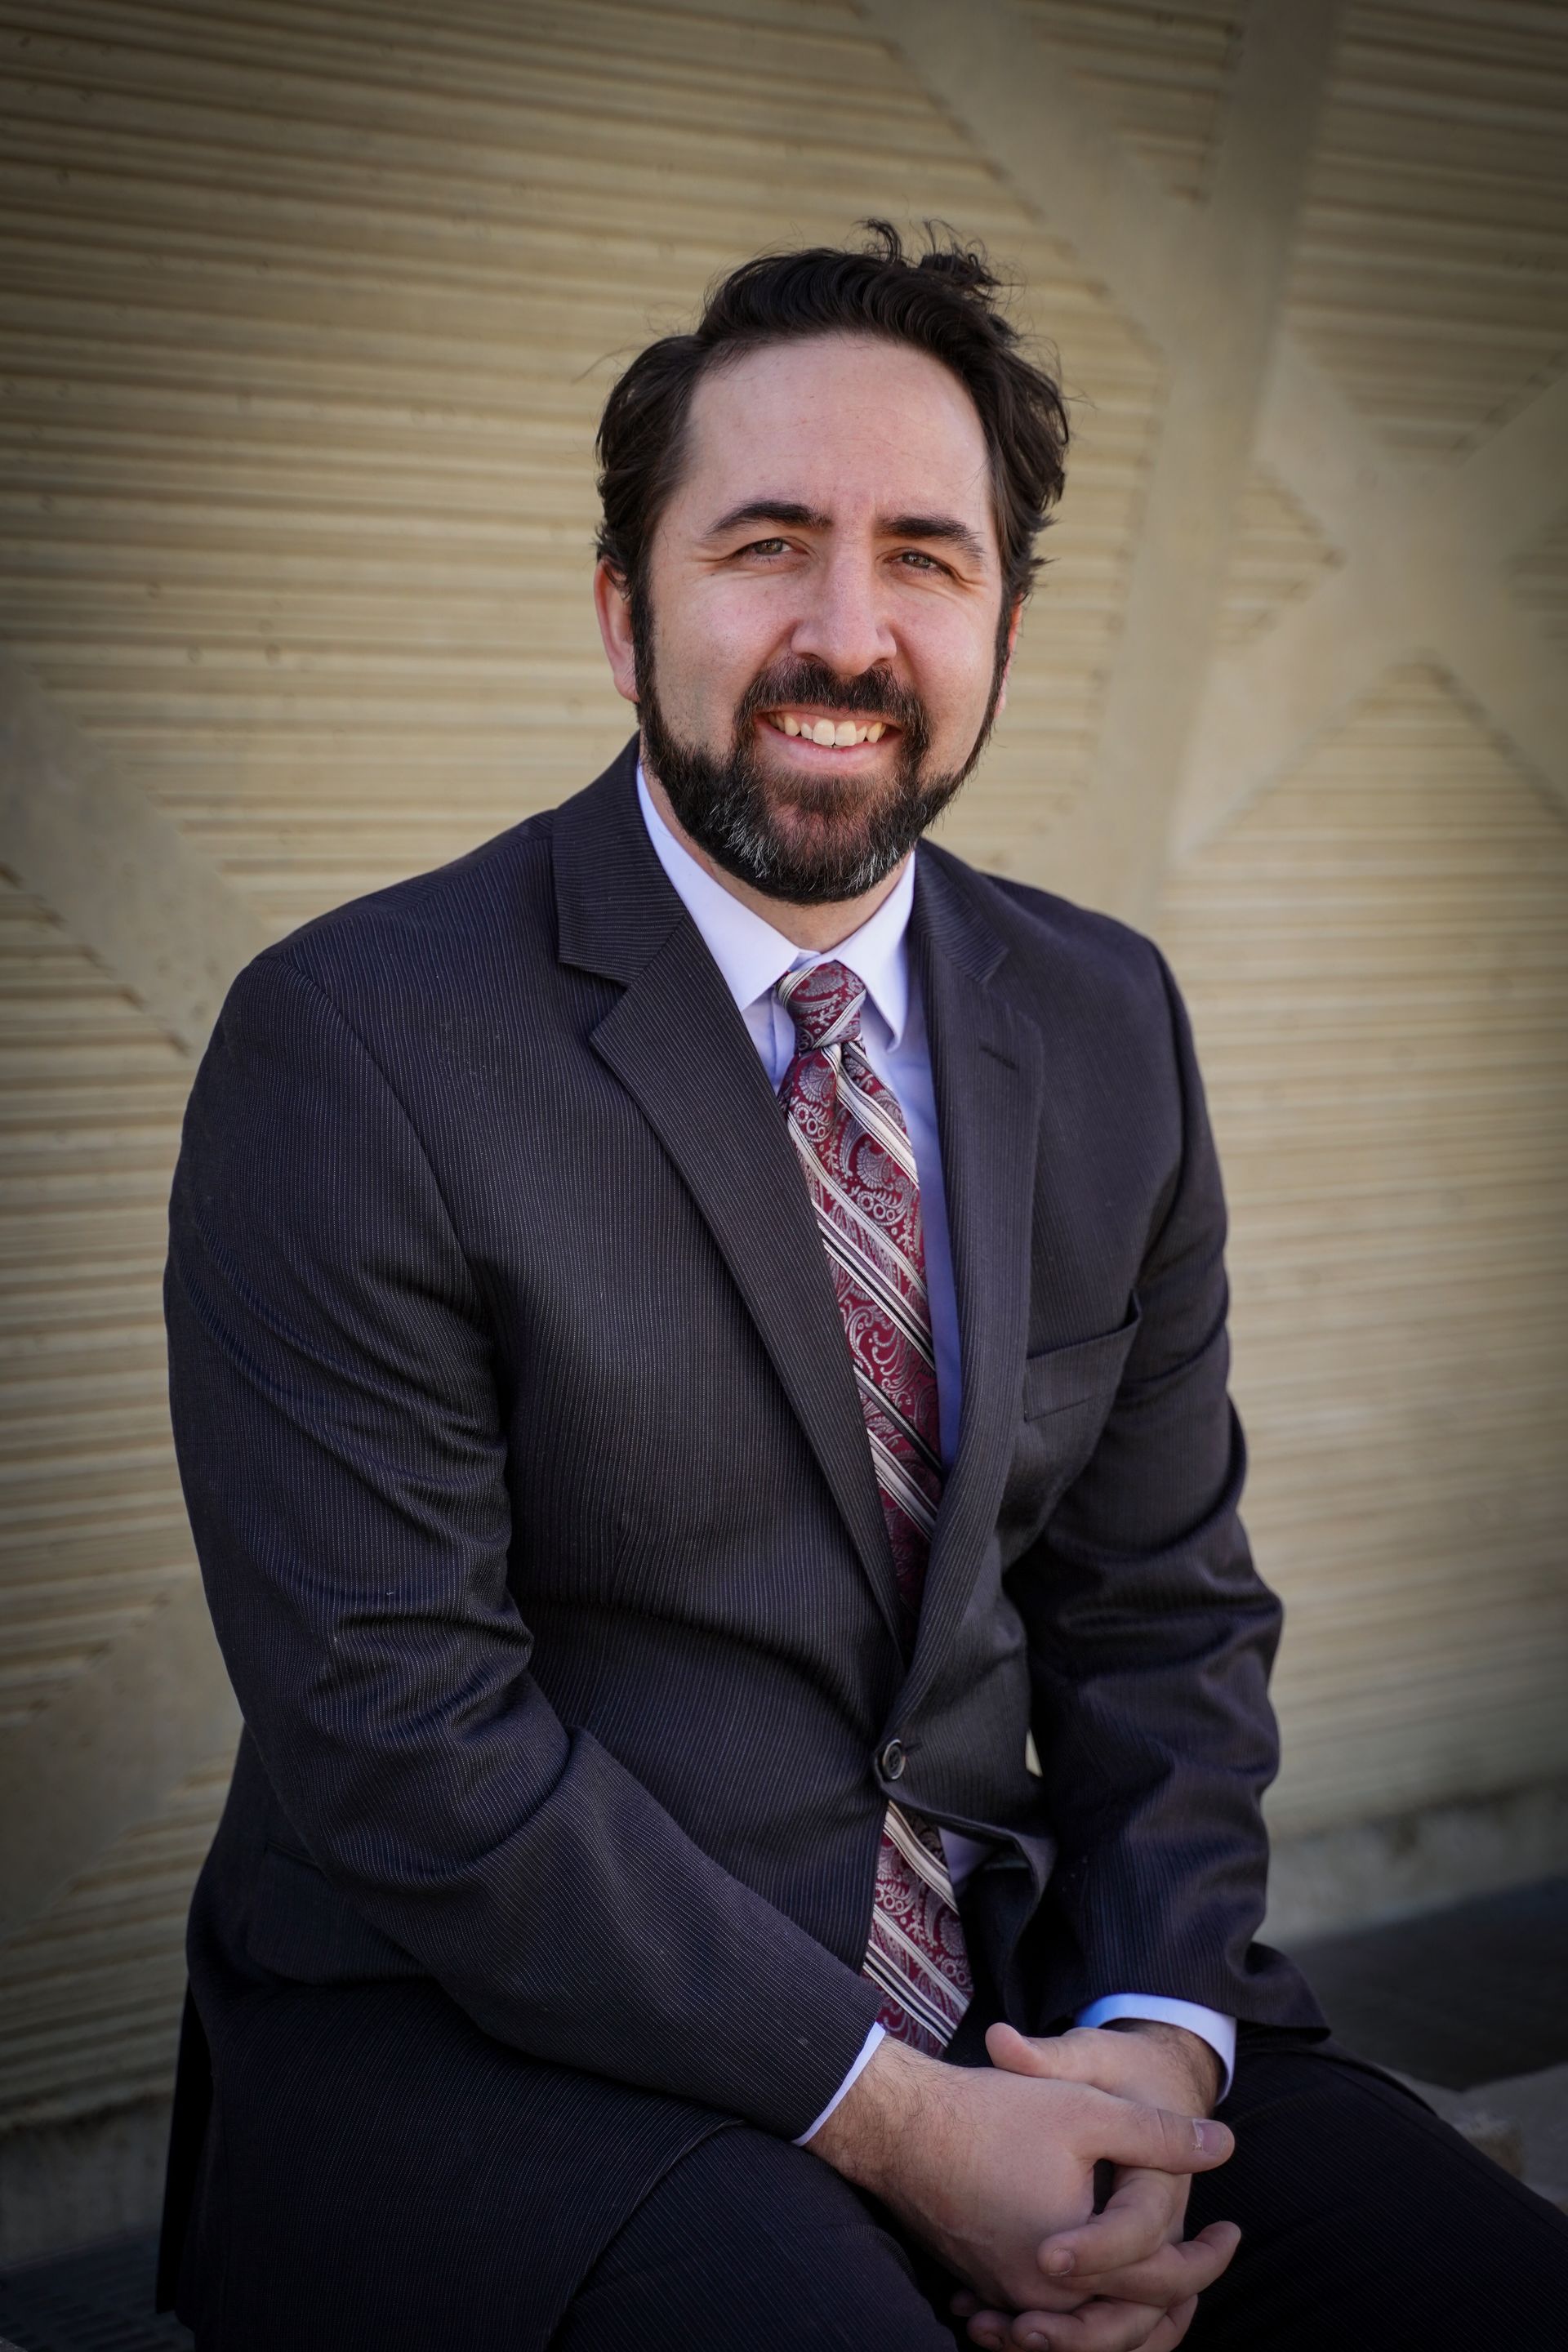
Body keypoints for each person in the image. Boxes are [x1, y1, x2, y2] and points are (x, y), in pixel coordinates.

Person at [158, 225, 1568, 2351]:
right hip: (520, 2050)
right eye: (766, 545)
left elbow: (1163, 1620)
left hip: (1033, 2009)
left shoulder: (1104, 1020)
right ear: (627, 614)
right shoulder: (355, 1046)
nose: (848, 628)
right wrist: (895, 2126)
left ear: (1005, 617)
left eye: (926, 554)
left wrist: (1161, 2041)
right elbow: (403, 1743)